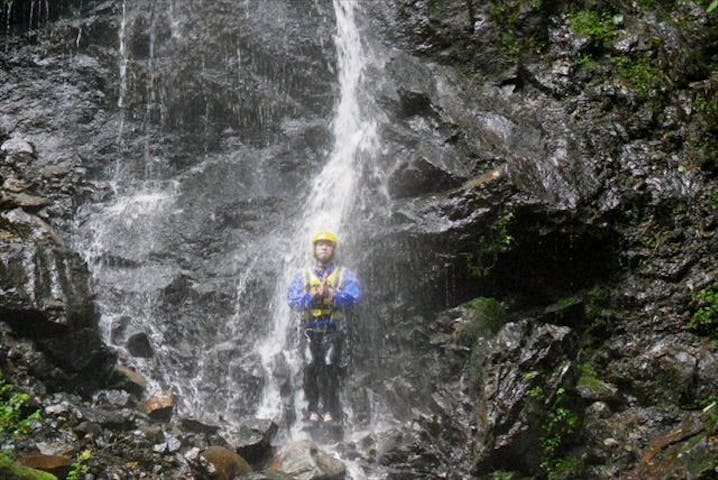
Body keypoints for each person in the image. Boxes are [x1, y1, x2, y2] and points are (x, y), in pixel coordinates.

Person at [287, 231, 361, 423]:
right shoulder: (302, 275)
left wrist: (334, 295)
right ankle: (312, 408)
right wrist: (314, 297)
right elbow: (293, 301)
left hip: (333, 329)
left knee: (329, 365)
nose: (324, 247)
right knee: (310, 364)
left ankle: (329, 409)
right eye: (320, 244)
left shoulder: (345, 274)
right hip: (310, 329)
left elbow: (355, 297)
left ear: (334, 249)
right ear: (314, 249)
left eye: (328, 244)